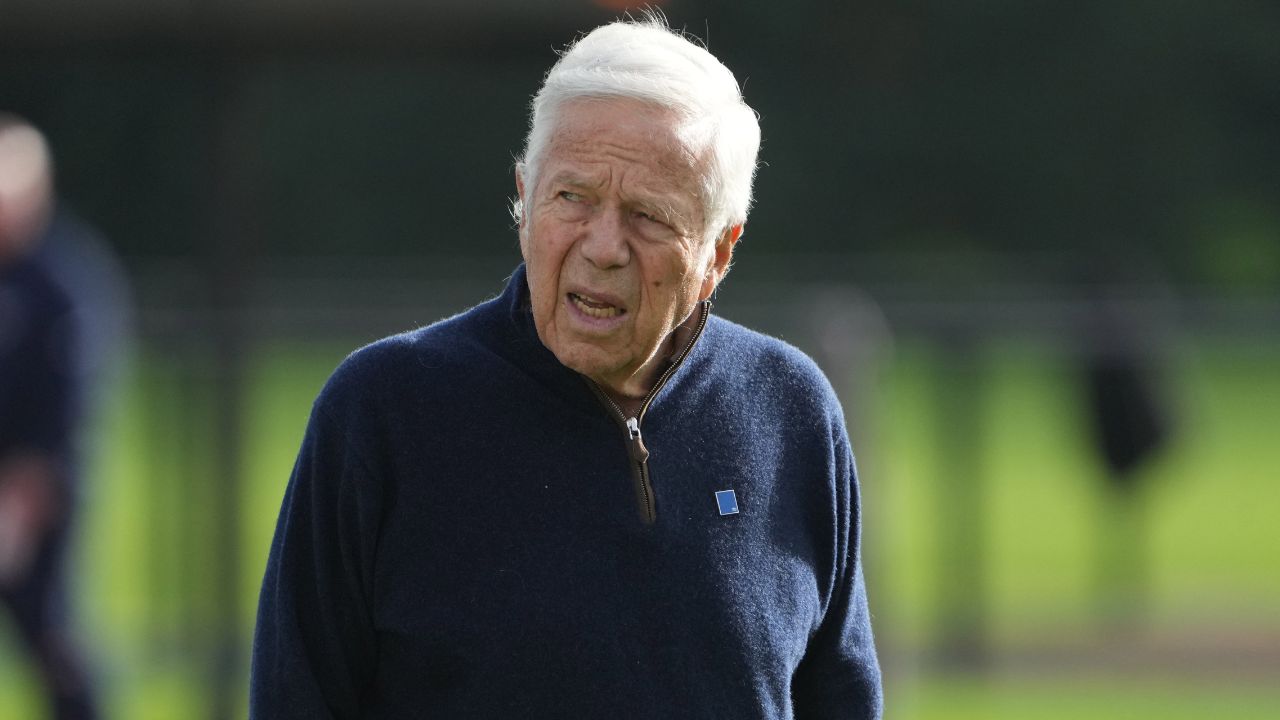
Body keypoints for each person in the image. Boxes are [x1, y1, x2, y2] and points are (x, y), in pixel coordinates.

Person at [251, 16, 883, 719]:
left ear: (718, 254)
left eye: (648, 214)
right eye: (572, 198)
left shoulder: (790, 411)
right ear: (524, 199)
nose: (603, 245)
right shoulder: (382, 412)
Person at [0, 115, 100, 719]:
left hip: (35, 494)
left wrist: (20, 500)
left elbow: (68, 411)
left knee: (50, 635)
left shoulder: (62, 283)